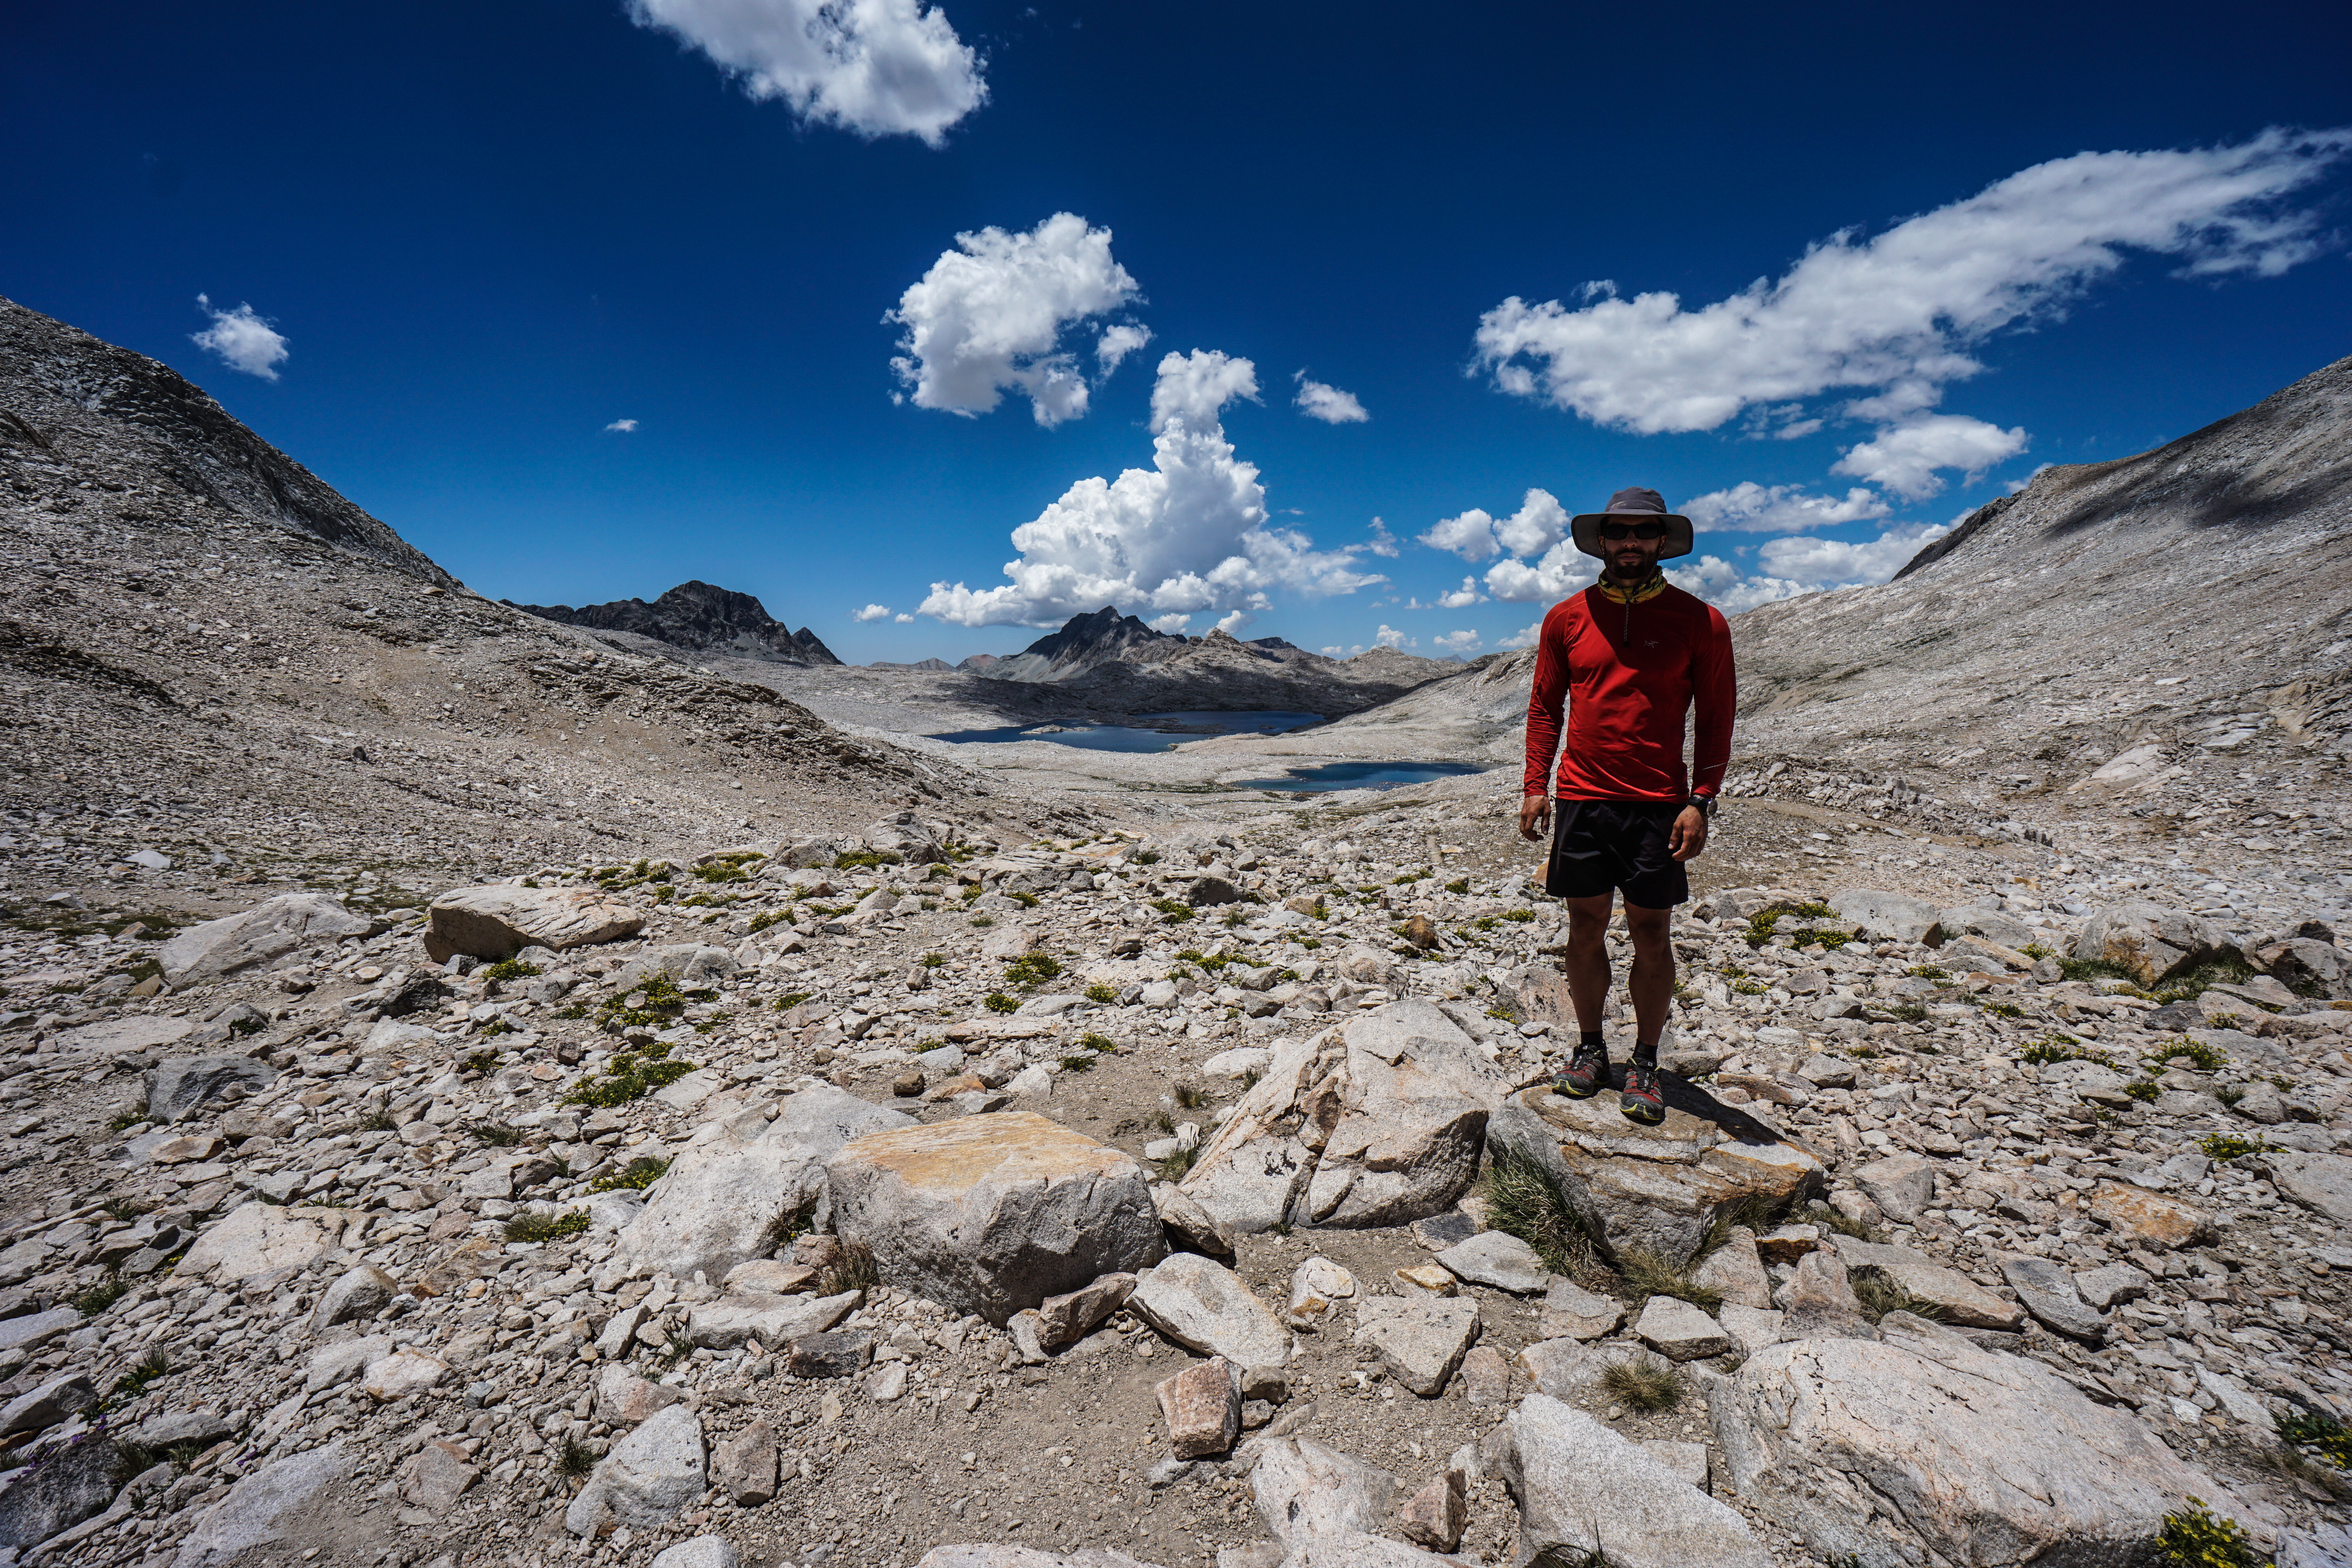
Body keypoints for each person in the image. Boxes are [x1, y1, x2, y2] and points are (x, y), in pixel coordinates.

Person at [1517, 486, 1736, 1124]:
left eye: (1644, 533)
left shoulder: (1701, 621)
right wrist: (1537, 783)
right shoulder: (1566, 617)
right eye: (1620, 533)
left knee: (1652, 933)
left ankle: (1644, 1060)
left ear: (1662, 542)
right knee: (1582, 928)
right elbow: (1544, 707)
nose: (1631, 544)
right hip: (1583, 798)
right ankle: (1590, 1051)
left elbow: (1717, 717)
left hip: (1658, 806)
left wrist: (1702, 800)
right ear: (1603, 541)